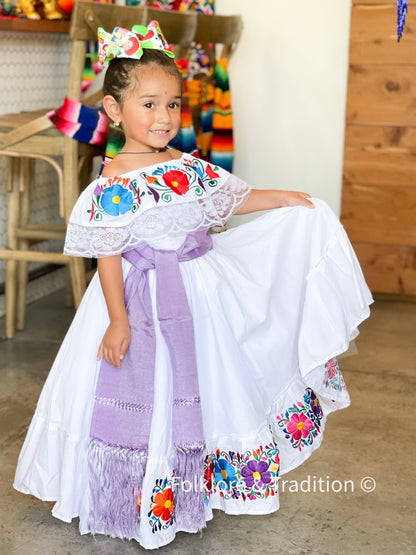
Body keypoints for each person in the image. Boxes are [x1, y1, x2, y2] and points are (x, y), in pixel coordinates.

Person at [13, 21, 373, 550]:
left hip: (200, 296)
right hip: (142, 302)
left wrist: (282, 200)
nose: (164, 117)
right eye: (149, 104)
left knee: (209, 380)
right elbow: (109, 255)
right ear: (114, 111)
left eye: (173, 105)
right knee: (151, 390)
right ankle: (141, 488)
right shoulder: (111, 183)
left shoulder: (184, 167)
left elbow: (230, 198)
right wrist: (117, 319)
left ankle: (197, 481)